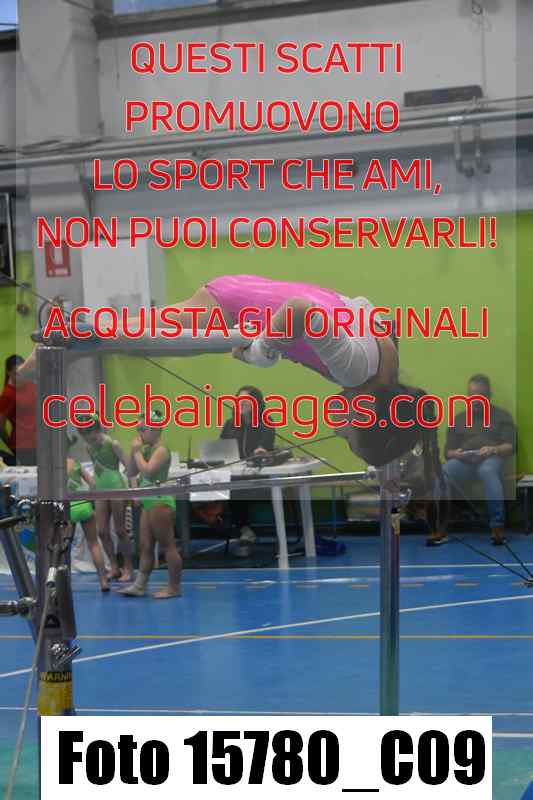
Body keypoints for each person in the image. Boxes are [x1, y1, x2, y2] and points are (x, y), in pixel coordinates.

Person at [427, 374, 516, 547]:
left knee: (487, 471)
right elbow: (448, 452)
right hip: (465, 462)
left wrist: (494, 449)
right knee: (443, 472)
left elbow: (510, 446)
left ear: (488, 396)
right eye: (471, 395)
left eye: (479, 396)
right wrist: (457, 454)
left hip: (491, 459)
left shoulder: (502, 416)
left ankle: (497, 527)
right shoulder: (459, 418)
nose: (475, 400)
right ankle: (439, 528)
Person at [119, 410, 182, 599]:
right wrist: (134, 451)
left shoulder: (161, 450)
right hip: (148, 501)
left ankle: (174, 587)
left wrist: (137, 452)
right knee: (145, 545)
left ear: (156, 429)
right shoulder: (145, 449)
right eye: (138, 429)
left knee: (167, 545)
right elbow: (131, 472)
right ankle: (139, 585)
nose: (139, 433)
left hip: (160, 501)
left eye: (142, 429)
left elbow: (147, 471)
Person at [77, 414, 134, 581]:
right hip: (100, 490)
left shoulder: (113, 444)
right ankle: (114, 567)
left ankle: (129, 568)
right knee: (102, 531)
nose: (88, 439)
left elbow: (129, 468)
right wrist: (92, 486)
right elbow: (97, 468)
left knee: (120, 530)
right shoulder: (88, 447)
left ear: (97, 429)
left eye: (90, 434)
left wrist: (133, 490)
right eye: (84, 435)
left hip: (116, 488)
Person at [220, 385, 275, 556]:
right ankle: (239, 528)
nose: (241, 403)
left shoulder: (266, 421)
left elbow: (265, 446)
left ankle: (245, 531)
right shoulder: (230, 424)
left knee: (236, 489)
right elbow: (221, 449)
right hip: (234, 475)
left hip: (258, 476)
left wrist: (261, 451)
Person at [66, 434, 109, 592]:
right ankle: (103, 581)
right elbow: (93, 483)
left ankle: (64, 582)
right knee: (94, 544)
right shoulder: (75, 463)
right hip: (83, 505)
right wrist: (89, 500)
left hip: (67, 508)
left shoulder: (53, 468)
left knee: (64, 547)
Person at [0, 354, 37, 465]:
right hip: (23, 447)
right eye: (16, 373)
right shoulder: (8, 394)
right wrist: (11, 446)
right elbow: (0, 426)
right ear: (9, 373)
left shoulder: (31, 385)